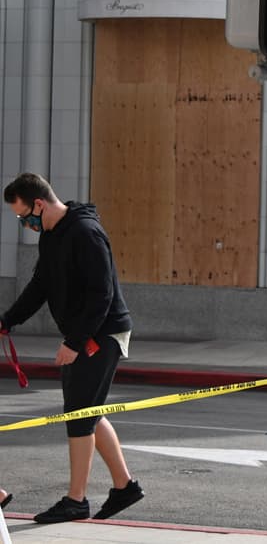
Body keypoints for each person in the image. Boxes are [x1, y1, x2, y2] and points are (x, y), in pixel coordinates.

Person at [0, 173, 143, 523]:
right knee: (87, 410)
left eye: (26, 218)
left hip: (102, 334)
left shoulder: (85, 233)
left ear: (40, 203)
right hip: (87, 333)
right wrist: (7, 320)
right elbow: (40, 285)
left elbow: (102, 295)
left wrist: (75, 343)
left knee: (78, 415)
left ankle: (76, 500)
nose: (27, 225)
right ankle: (124, 487)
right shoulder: (53, 235)